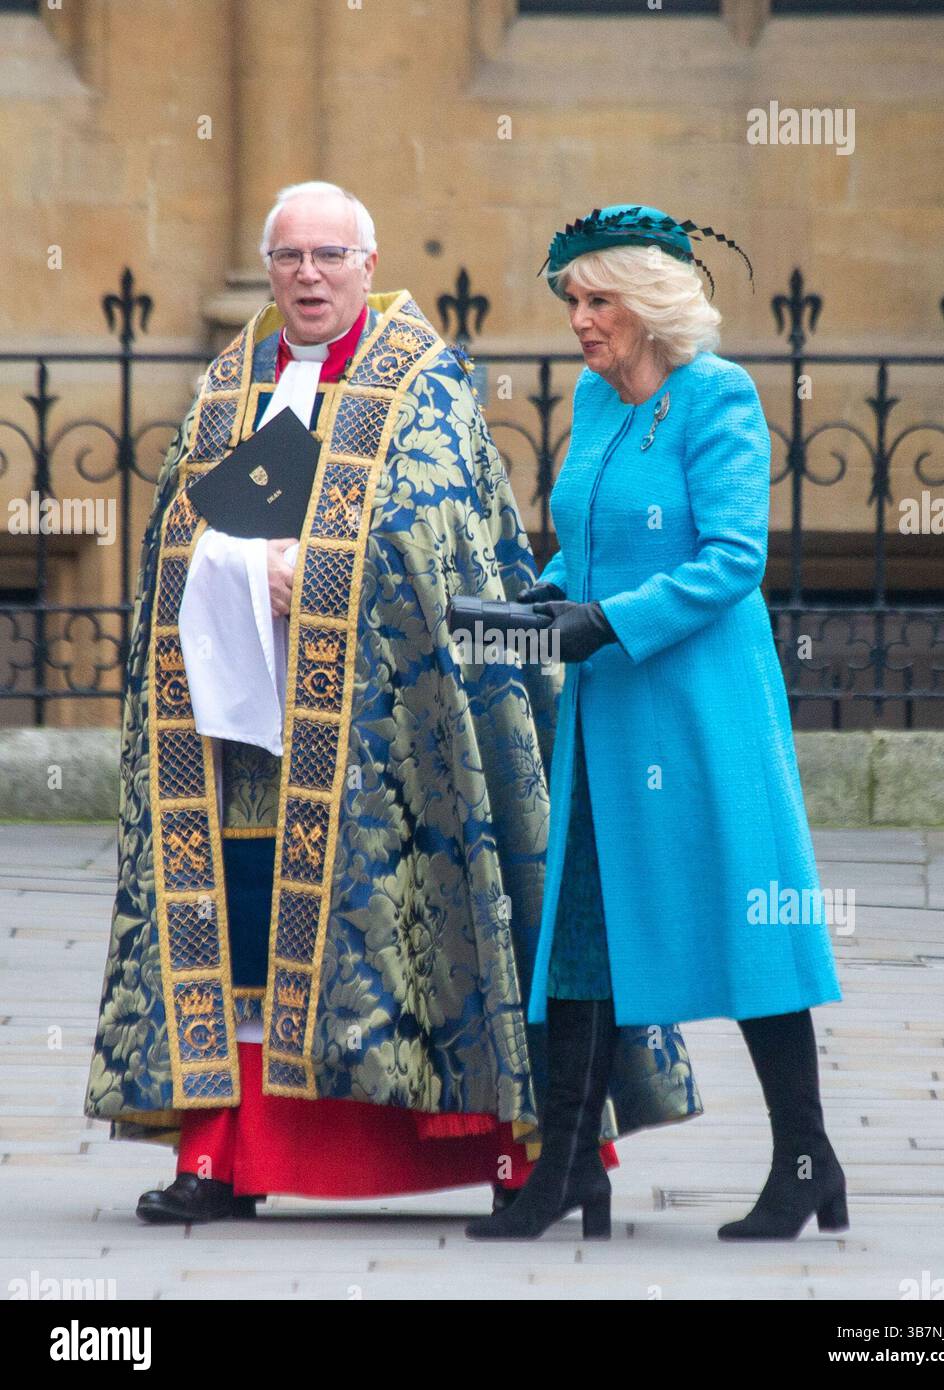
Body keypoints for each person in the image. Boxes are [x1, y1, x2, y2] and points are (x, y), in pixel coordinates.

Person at [84, 184, 701, 1224]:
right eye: (288, 258)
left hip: (387, 735)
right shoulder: (225, 390)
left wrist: (312, 570)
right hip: (244, 732)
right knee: (239, 924)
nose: (308, 276)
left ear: (368, 265)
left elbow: (441, 541)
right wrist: (238, 568)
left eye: (329, 255)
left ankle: (509, 1148)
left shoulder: (424, 387)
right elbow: (169, 541)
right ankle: (224, 1158)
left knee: (418, 919)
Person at [466, 204, 845, 1243]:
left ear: (651, 302)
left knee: (746, 930)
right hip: (605, 712)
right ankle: (562, 1177)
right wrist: (542, 599)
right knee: (578, 942)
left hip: (699, 711)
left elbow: (732, 560)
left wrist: (604, 621)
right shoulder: (595, 401)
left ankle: (805, 1160)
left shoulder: (715, 397)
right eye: (573, 302)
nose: (579, 322)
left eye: (598, 301)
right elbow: (584, 544)